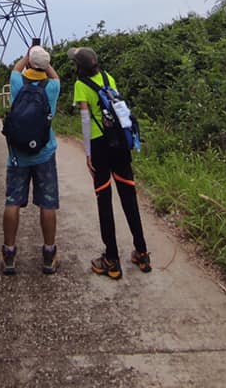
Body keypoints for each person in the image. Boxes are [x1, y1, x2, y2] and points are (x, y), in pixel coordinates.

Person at [71, 47, 152, 279]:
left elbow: (86, 120)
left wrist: (87, 153)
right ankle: (142, 252)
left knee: (104, 201)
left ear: (79, 66)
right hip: (120, 144)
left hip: (100, 147)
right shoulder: (108, 77)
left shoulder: (81, 85)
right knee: (129, 197)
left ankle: (112, 260)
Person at [0, 45, 61, 275]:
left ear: (28, 62)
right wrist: (44, 62)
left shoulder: (17, 83)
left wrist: (28, 54)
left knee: (12, 201)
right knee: (47, 203)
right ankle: (48, 254)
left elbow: (16, 69)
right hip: (44, 153)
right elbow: (55, 76)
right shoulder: (53, 87)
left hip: (18, 156)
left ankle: (8, 253)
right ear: (45, 66)